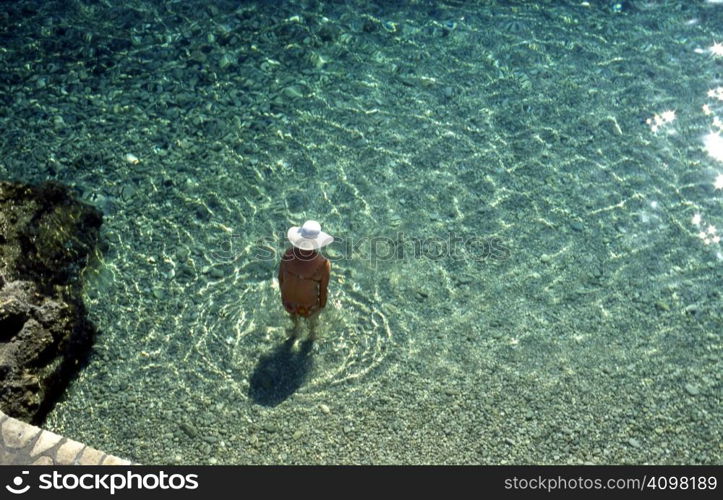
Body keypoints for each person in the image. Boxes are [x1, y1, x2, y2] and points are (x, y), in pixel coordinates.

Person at [278, 220, 333, 338]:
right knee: (312, 324)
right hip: (307, 306)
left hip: (288, 302)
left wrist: (284, 295)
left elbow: (281, 278)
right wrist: (321, 308)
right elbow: (323, 291)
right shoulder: (323, 264)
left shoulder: (288, 254)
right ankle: (312, 335)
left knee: (294, 320)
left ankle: (295, 330)